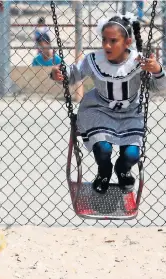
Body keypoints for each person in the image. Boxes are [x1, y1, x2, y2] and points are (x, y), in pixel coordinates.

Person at [50, 14, 166, 194]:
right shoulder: (94, 60)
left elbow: (157, 86)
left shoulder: (138, 62)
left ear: (127, 42)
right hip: (99, 110)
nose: (106, 45)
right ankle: (103, 172)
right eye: (104, 40)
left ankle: (122, 170)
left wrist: (157, 70)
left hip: (130, 112)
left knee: (132, 155)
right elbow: (73, 75)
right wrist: (58, 74)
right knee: (102, 149)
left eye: (113, 41)